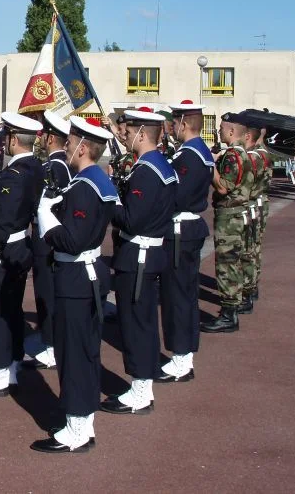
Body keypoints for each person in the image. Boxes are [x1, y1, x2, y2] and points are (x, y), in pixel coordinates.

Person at [29, 116, 117, 453]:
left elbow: (71, 239)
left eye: (71, 140)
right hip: (88, 274)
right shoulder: (96, 180)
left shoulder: (84, 185)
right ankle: (82, 421)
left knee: (74, 353)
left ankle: (76, 428)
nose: (66, 144)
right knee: (85, 350)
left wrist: (46, 216)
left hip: (76, 276)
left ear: (83, 146)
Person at [101, 107, 176, 416]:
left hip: (140, 254)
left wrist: (109, 199)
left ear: (143, 134)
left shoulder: (146, 170)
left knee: (136, 324)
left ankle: (141, 389)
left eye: (130, 131)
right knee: (140, 321)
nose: (126, 135)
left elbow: (131, 218)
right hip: (149, 251)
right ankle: (142, 384)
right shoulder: (159, 165)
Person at [0, 112, 44, 396]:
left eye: (6, 137)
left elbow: (2, 220)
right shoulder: (35, 167)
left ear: (14, 139)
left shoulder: (12, 176)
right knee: (12, 309)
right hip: (21, 244)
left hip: (5, 249)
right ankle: (13, 360)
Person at [157, 100, 214, 383]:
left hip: (180, 230)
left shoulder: (189, 156)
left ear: (183, 122)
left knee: (177, 295)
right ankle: (184, 353)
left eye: (174, 121)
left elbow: (176, 196)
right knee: (185, 295)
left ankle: (181, 357)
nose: (171, 126)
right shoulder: (196, 151)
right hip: (186, 229)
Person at [25, 110, 73, 370]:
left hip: (47, 236)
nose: (41, 138)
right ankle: (52, 342)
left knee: (46, 292)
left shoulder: (55, 167)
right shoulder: (58, 165)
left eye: (44, 134)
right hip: (49, 234)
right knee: (47, 291)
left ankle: (52, 345)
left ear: (52, 138)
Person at [201, 112, 255, 333]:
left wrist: (210, 167)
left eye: (222, 128)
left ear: (232, 132)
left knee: (226, 263)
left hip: (230, 215)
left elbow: (223, 186)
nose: (219, 131)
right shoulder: (242, 154)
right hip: (238, 213)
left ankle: (228, 314)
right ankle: (233, 306)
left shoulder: (232, 156)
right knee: (235, 261)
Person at [241, 115, 271, 310]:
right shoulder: (262, 152)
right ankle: (251, 286)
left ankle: (248, 289)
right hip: (259, 203)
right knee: (254, 246)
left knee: (249, 248)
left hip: (253, 204)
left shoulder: (254, 155)